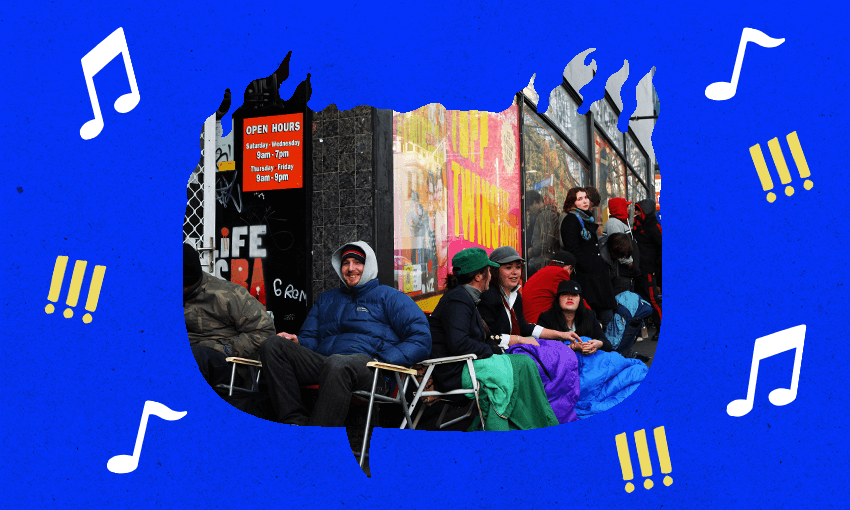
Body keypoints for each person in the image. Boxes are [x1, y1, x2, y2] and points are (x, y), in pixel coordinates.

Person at [259, 241, 431, 427]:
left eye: (358, 262)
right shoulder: (326, 299)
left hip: (371, 370)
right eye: (346, 263)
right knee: (272, 345)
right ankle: (295, 423)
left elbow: (421, 339)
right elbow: (311, 339)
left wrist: (381, 359)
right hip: (326, 364)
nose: (351, 268)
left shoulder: (391, 297)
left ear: (369, 265)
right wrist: (299, 342)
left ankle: (318, 440)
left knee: (338, 363)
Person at [183, 243, 276, 388]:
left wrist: (226, 349)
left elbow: (265, 331)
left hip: (227, 363)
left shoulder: (229, 295)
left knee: (194, 357)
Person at [478, 246, 580, 348]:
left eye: (518, 267)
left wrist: (561, 334)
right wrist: (520, 340)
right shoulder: (488, 296)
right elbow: (487, 337)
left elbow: (523, 326)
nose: (515, 272)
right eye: (508, 267)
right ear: (495, 271)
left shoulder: (516, 295)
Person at [559, 187, 617, 328]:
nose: (585, 201)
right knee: (596, 318)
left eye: (586, 197)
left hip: (597, 276)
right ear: (572, 203)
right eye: (579, 199)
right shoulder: (571, 220)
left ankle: (609, 342)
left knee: (607, 316)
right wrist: (589, 266)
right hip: (587, 278)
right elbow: (574, 250)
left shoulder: (587, 218)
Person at [536, 280, 612, 355]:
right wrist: (572, 347)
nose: (570, 298)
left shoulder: (589, 315)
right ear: (558, 299)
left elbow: (607, 344)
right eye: (565, 294)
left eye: (574, 295)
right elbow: (543, 349)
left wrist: (599, 344)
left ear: (580, 299)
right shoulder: (546, 318)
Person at [633, 199, 662, 339]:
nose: (635, 213)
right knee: (642, 299)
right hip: (639, 270)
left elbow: (662, 249)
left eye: (638, 210)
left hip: (649, 270)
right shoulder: (638, 226)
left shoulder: (654, 227)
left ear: (645, 211)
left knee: (652, 300)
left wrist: (656, 269)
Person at [522, 250, 578, 324]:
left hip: (530, 322)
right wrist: (590, 315)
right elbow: (572, 298)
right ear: (569, 267)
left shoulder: (543, 271)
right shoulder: (560, 273)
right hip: (540, 324)